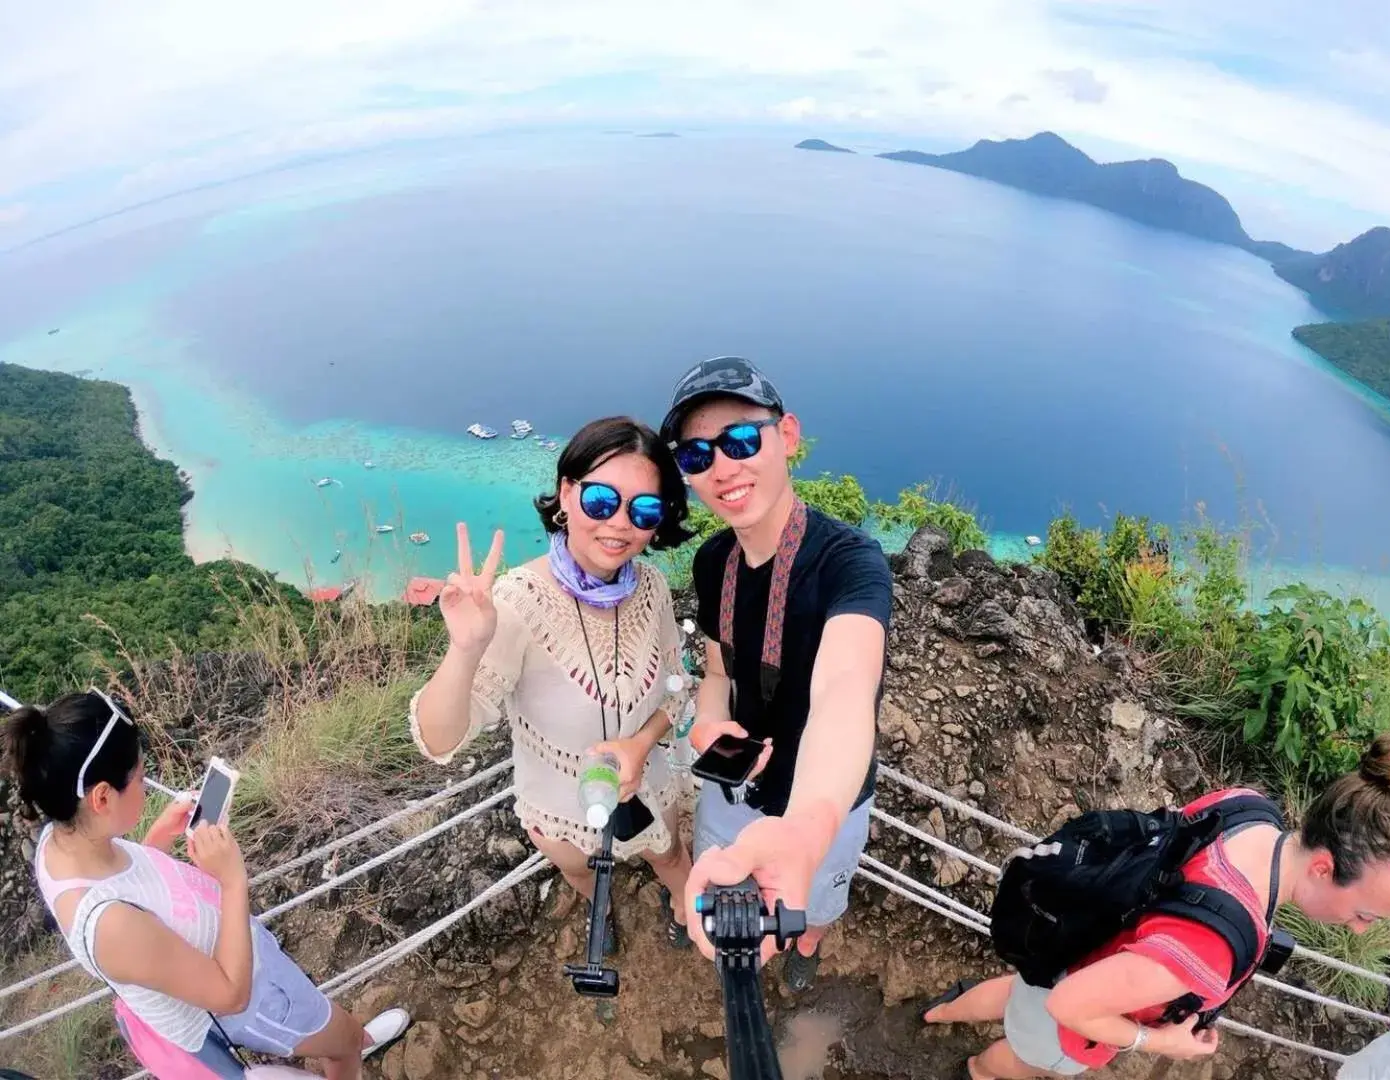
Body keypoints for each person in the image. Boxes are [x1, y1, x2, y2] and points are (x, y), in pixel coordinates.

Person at [922, 734, 1390, 1079]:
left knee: (1020, 993)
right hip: (1071, 1011)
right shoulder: (1211, 948)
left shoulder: (1248, 809)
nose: (1362, 930)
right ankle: (974, 1069)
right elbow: (1070, 1006)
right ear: (1324, 868)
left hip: (1076, 943)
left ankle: (939, 1011)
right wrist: (1162, 1042)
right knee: (1017, 1058)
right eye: (1365, 914)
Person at [2, 689, 410, 1080]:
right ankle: (355, 1044)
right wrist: (232, 880)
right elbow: (231, 994)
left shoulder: (62, 843)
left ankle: (350, 1044)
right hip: (254, 998)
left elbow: (127, 888)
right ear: (102, 798)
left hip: (243, 966)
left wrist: (159, 836)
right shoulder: (110, 927)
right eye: (141, 778)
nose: (146, 787)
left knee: (334, 1034)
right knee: (344, 1040)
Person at [410, 416, 696, 950]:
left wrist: (640, 743)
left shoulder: (652, 586)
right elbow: (440, 739)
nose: (620, 524)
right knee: (584, 874)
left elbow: (677, 689)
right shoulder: (517, 604)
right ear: (567, 493)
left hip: (648, 783)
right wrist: (465, 648)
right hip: (562, 808)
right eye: (601, 500)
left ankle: (683, 907)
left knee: (671, 854)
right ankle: (600, 913)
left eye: (645, 509)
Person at [665, 356, 893, 992]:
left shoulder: (849, 562)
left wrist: (805, 828)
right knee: (733, 872)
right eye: (696, 456)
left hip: (824, 802)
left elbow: (846, 688)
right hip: (734, 786)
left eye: (741, 440)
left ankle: (810, 941)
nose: (722, 468)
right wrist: (710, 721)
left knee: (814, 899)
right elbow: (718, 666)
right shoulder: (714, 562)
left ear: (787, 435)